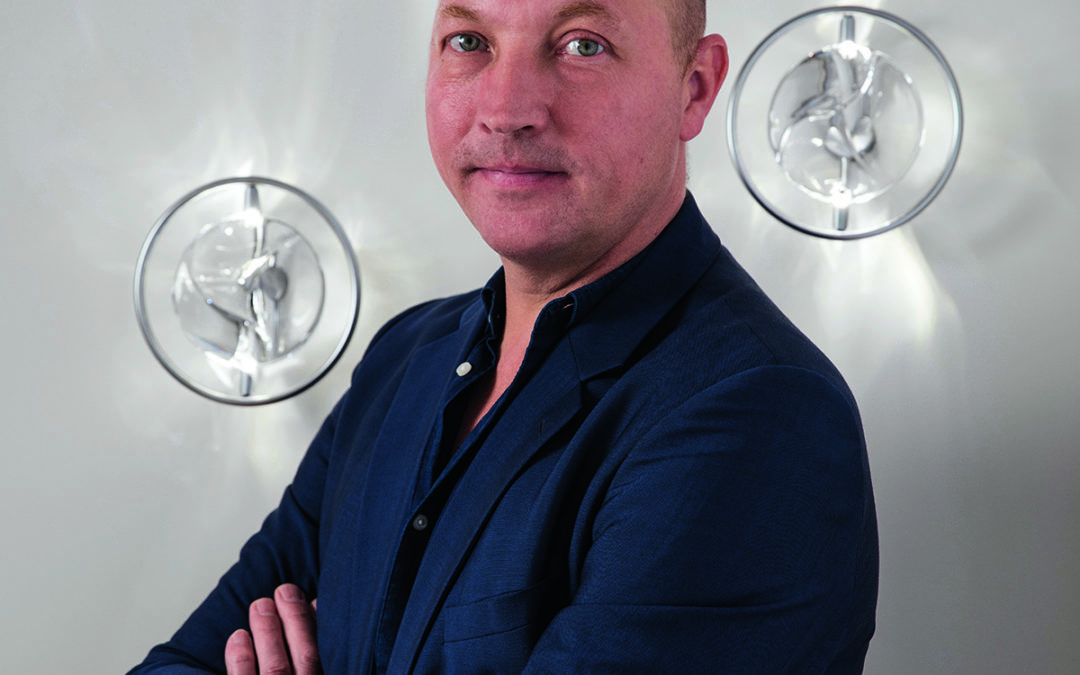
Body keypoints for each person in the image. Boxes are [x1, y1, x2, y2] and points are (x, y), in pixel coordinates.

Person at [130, 0, 878, 673]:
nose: (506, 109)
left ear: (695, 86)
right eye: (470, 41)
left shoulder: (758, 413)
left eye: (582, 45)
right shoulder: (403, 359)